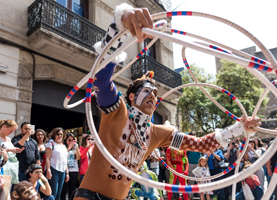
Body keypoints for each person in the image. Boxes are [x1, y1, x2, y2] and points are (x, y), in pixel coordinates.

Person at [73, 3, 261, 200]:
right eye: (147, 91)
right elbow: (101, 80)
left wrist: (240, 128)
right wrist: (121, 21)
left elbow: (202, 145)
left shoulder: (157, 133)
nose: (153, 95)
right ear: (131, 97)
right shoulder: (116, 112)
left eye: (155, 93)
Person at [45, 127, 69, 200]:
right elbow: (47, 159)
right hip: (53, 169)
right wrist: (48, 171)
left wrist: (67, 173)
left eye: (61, 134)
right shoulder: (50, 144)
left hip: (62, 171)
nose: (59, 136)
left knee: (59, 193)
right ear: (54, 135)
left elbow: (65, 160)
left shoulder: (64, 146)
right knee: (53, 192)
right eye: (58, 134)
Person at [0, 119, 25, 185]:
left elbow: (10, 150)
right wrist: (9, 150)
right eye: (10, 131)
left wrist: (16, 150)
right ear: (4, 126)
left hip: (10, 168)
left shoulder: (8, 139)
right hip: (2, 167)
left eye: (13, 131)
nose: (11, 133)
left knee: (7, 189)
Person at [61, 133, 80, 200]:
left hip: (74, 170)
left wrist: (77, 148)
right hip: (65, 170)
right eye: (69, 140)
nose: (71, 142)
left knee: (72, 190)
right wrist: (69, 148)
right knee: (64, 189)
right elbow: (62, 156)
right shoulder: (63, 147)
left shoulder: (75, 148)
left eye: (73, 140)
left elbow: (78, 158)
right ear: (65, 140)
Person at [186, 131, 202, 199]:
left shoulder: (199, 143)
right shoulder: (188, 144)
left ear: (195, 135)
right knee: (191, 180)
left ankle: (201, 195)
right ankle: (190, 196)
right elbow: (185, 153)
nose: (192, 137)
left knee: (200, 180)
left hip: (199, 164)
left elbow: (202, 151)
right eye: (190, 136)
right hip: (190, 164)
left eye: (193, 136)